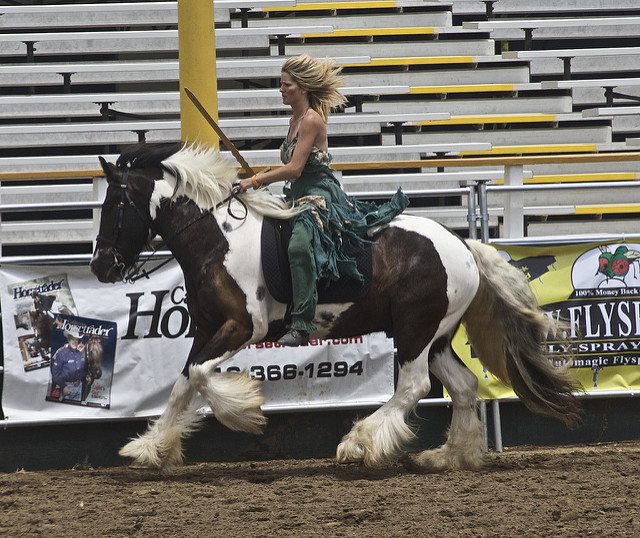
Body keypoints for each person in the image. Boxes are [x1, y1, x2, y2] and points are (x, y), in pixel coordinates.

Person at [238, 54, 408, 346]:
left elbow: (294, 168)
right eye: (280, 84)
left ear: (302, 88)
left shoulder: (311, 120)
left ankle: (302, 323)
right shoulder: (293, 119)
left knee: (299, 245)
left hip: (318, 194)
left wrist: (255, 180)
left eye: (286, 85)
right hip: (296, 192)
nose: (281, 89)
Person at [50, 327, 86, 402]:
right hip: (65, 387)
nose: (75, 342)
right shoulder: (61, 353)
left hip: (78, 387)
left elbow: (82, 370)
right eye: (72, 339)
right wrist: (63, 386)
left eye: (76, 339)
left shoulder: (81, 355)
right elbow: (55, 373)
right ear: (68, 340)